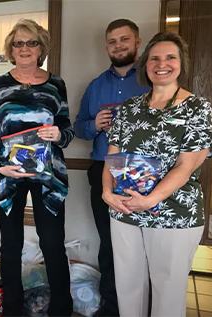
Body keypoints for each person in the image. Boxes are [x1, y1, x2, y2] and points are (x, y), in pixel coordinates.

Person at [103, 32, 212, 316]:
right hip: (125, 208)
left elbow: (187, 165)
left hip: (174, 214)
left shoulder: (196, 108)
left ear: (182, 64)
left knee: (168, 291)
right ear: (145, 64)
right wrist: (106, 192)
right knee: (128, 287)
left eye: (170, 57)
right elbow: (112, 154)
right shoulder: (131, 107)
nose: (161, 63)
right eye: (154, 57)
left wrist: (150, 199)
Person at [0, 19, 74, 316]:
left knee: (52, 245)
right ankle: (12, 310)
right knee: (10, 247)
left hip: (49, 178)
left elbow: (67, 130)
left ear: (40, 48)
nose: (24, 49)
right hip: (10, 176)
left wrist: (59, 134)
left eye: (31, 43)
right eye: (18, 43)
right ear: (11, 49)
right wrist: (0, 165)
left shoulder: (56, 84)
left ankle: (60, 309)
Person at [73, 19, 150, 316]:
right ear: (106, 46)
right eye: (112, 41)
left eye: (124, 39)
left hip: (144, 175)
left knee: (142, 245)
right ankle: (112, 305)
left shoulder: (151, 79)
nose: (118, 45)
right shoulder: (96, 86)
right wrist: (93, 125)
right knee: (109, 242)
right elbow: (79, 128)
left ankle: (143, 306)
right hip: (101, 172)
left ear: (137, 42)